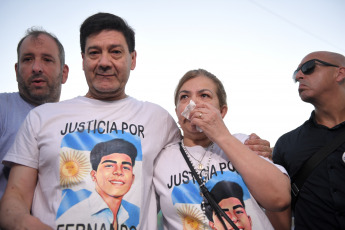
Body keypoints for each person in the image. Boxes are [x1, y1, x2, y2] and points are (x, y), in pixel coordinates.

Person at [0, 13, 272, 230]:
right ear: (82, 60)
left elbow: (198, 152)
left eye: (115, 52)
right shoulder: (42, 117)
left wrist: (248, 151)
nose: (104, 62)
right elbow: (15, 196)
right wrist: (27, 224)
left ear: (133, 59)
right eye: (94, 53)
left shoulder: (158, 119)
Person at [153, 69, 291, 230]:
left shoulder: (245, 143)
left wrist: (221, 135)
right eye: (184, 97)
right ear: (177, 111)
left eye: (204, 95)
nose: (194, 103)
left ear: (222, 111)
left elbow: (279, 199)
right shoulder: (160, 160)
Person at [268, 51, 345, 229]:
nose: (299, 76)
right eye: (296, 74)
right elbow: (278, 210)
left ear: (340, 73)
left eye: (308, 67)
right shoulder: (286, 145)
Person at [0, 28, 69, 198]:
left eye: (47, 59)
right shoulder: (3, 108)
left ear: (64, 73)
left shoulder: (76, 121)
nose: (36, 68)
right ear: (16, 71)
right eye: (28, 59)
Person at [57, 138, 137, 229]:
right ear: (94, 175)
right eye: (109, 166)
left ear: (132, 178)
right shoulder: (73, 217)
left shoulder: (129, 217)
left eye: (126, 167)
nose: (118, 171)